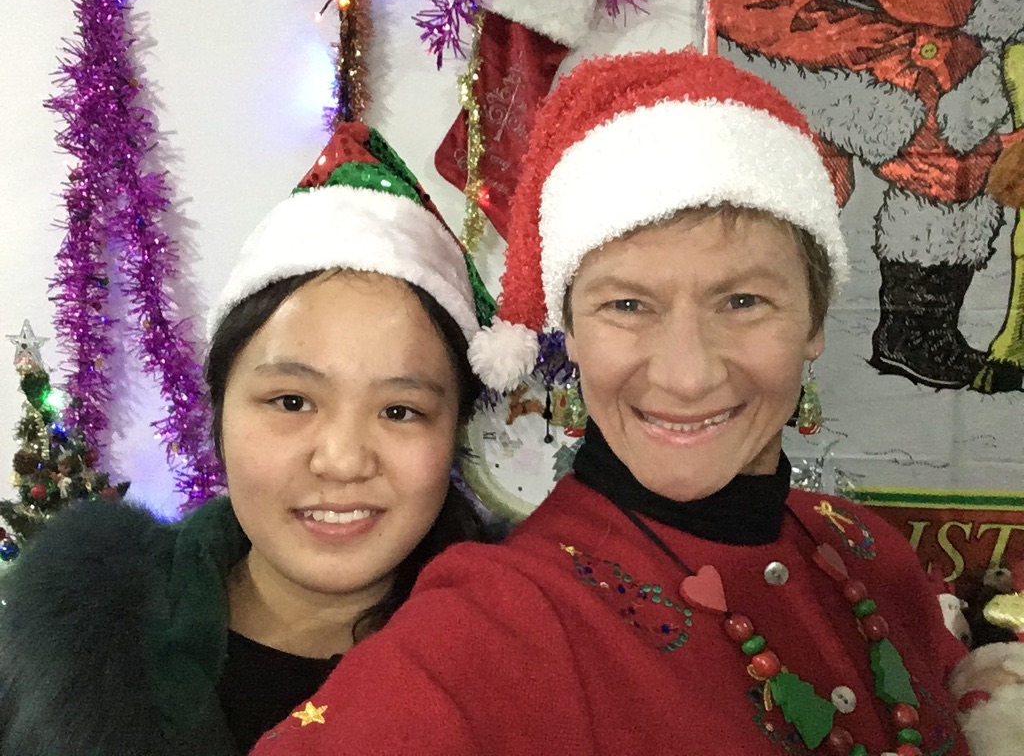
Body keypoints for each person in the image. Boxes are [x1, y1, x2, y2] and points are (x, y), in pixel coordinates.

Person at [251, 50, 970, 755]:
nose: (687, 376)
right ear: (570, 329)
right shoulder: (496, 623)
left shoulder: (868, 552)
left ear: (815, 320)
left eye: (744, 301)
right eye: (627, 305)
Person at [0, 121, 492, 755]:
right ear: (221, 413)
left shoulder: (523, 658)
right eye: (291, 402)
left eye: (399, 411)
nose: (342, 460)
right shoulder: (65, 647)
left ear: (453, 432)